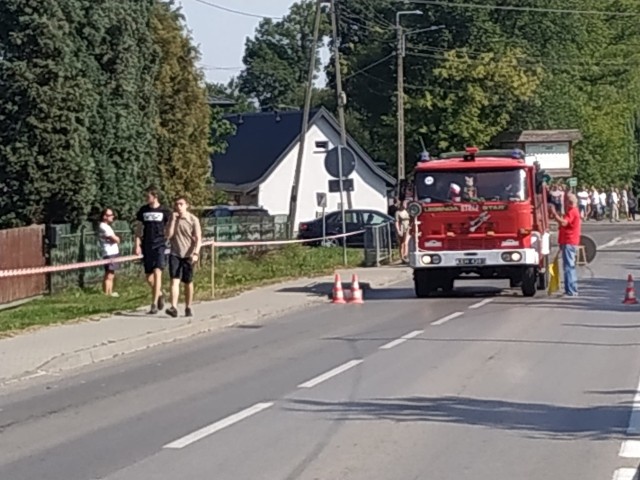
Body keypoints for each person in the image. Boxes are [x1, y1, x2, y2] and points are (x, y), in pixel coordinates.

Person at [135, 187, 171, 314]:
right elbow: (139, 228)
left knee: (157, 272)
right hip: (147, 245)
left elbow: (170, 226)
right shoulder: (143, 210)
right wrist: (137, 244)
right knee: (149, 277)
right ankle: (160, 294)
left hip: (160, 245)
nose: (146, 198)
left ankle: (154, 304)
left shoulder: (164, 211)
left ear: (155, 196)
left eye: (148, 196)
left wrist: (168, 236)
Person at [166, 196, 202, 318]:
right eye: (176, 204)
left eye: (181, 204)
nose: (179, 207)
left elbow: (198, 239)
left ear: (187, 205)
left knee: (188, 282)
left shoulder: (193, 220)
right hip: (175, 253)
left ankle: (188, 306)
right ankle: (174, 307)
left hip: (188, 254)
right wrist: (172, 221)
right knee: (174, 280)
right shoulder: (173, 218)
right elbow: (168, 235)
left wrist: (196, 253)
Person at [550, 192, 581, 297]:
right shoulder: (572, 211)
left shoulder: (572, 211)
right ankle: (570, 289)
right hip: (567, 241)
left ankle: (571, 290)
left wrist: (555, 214)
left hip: (569, 241)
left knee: (569, 267)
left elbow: (564, 223)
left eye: (567, 201)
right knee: (568, 266)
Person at [98, 208, 120, 297]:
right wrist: (117, 239)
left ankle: (109, 292)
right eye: (110, 215)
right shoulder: (103, 226)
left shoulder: (107, 226)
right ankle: (107, 294)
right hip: (110, 253)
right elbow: (115, 239)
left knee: (111, 273)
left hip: (112, 252)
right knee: (109, 274)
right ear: (105, 216)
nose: (112, 217)